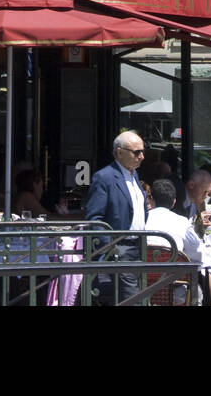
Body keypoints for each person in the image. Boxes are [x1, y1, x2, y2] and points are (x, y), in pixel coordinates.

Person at [83, 131, 148, 306]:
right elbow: (94, 219)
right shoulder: (104, 177)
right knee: (133, 300)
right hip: (120, 248)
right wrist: (111, 247)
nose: (141, 156)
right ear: (119, 152)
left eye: (143, 151)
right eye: (136, 152)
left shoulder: (134, 174)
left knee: (138, 296)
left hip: (138, 246)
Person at [146, 178, 211, 304]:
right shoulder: (182, 222)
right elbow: (198, 254)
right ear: (174, 202)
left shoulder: (140, 221)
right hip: (173, 291)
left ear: (151, 199)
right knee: (197, 292)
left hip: (141, 290)